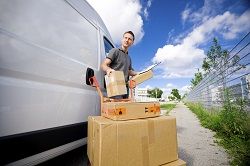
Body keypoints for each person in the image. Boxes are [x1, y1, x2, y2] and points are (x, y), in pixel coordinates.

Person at [101, 31, 138, 98]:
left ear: (132, 42)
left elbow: (129, 71)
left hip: (125, 88)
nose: (127, 40)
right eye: (125, 38)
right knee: (117, 107)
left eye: (129, 39)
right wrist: (108, 69)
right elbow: (104, 65)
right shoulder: (115, 51)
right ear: (122, 39)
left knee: (124, 107)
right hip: (115, 86)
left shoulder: (129, 58)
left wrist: (139, 74)